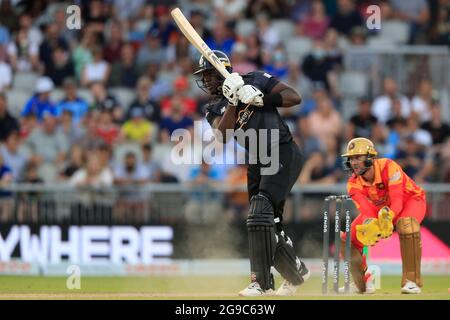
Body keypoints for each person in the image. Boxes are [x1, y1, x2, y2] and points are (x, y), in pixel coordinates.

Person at [194, 50, 309, 296]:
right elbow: (222, 136)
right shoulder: (213, 106)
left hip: (281, 149)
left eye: (208, 75)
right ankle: (296, 272)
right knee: (268, 224)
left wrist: (261, 99)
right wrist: (234, 101)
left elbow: (294, 97)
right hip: (256, 160)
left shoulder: (255, 79)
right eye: (203, 77)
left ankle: (261, 283)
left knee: (259, 214)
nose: (206, 81)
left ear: (220, 71)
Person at [341, 137, 426, 294]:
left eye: (358, 157)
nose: (354, 162)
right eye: (351, 158)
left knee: (406, 224)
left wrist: (387, 220)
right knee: (347, 240)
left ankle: (411, 281)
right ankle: (363, 283)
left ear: (370, 157)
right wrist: (371, 225)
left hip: (411, 200)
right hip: (381, 207)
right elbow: (367, 212)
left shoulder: (388, 166)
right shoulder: (353, 184)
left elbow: (398, 202)